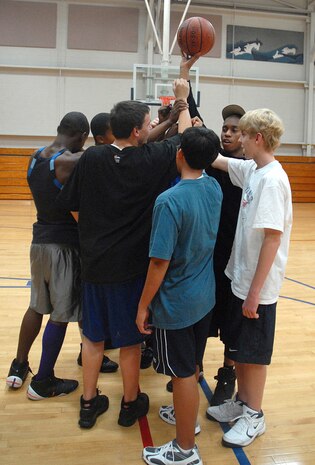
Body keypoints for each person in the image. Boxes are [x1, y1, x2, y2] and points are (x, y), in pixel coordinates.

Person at [57, 79, 191, 429]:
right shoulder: (152, 159)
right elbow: (187, 139)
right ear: (136, 131)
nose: (151, 129)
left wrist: (95, 233)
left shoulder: (92, 158)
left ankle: (89, 404)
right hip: (131, 270)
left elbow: (72, 207)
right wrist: (183, 100)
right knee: (130, 342)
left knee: (93, 338)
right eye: (148, 124)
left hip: (95, 265)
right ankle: (130, 404)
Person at [206, 108, 292, 448]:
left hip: (258, 287)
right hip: (239, 278)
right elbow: (216, 159)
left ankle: (254, 414)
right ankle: (241, 403)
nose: (236, 139)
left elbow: (272, 238)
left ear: (257, 138)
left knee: (253, 356)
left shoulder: (272, 180)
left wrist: (255, 293)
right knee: (239, 349)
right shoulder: (254, 169)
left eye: (242, 134)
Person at [136, 126, 222, 465]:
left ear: (179, 154)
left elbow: (159, 262)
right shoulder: (214, 187)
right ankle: (187, 418)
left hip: (177, 303)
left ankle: (185, 449)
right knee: (193, 366)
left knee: (183, 374)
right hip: (205, 297)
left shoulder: (169, 200)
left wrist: (143, 306)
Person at [6, 112, 89, 400]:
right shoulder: (67, 161)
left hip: (38, 243)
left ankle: (18, 366)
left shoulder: (35, 156)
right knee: (60, 314)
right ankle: (43, 381)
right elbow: (109, 153)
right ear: (81, 135)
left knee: (36, 307)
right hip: (62, 247)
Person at [205, 104, 246, 406]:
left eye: (234, 130)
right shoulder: (212, 161)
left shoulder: (248, 170)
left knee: (232, 325)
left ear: (247, 137)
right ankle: (191, 370)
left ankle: (227, 373)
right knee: (203, 317)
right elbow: (196, 131)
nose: (227, 133)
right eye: (225, 128)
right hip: (208, 254)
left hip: (236, 259)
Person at [76, 112, 118, 374]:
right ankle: (91, 351)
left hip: (103, 248)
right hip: (95, 249)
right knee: (94, 313)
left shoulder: (108, 157)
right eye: (115, 130)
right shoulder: (91, 161)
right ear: (101, 138)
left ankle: (99, 345)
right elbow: (74, 204)